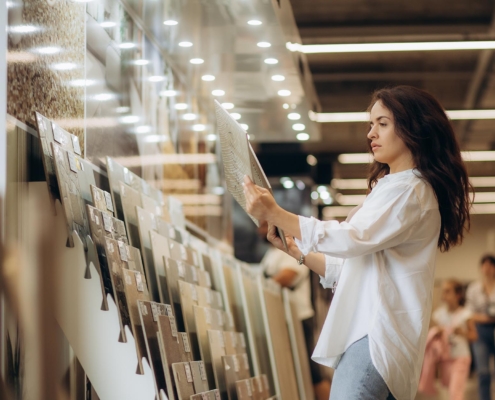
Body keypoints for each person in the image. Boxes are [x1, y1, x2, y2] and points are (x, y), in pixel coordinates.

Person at [242, 86, 472, 400]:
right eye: (370, 124)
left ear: (413, 129)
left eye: (382, 123)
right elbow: (351, 265)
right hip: (369, 339)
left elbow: (352, 239)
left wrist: (277, 213)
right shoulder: (396, 187)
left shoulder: (410, 189)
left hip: (375, 339)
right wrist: (298, 252)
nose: (371, 133)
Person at [257, 222, 331, 400]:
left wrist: (262, 287)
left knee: (311, 371)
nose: (259, 231)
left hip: (298, 318)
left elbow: (288, 276)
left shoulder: (293, 251)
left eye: (263, 226)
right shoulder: (271, 254)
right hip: (280, 320)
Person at [418, 279, 477, 400]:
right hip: (445, 358)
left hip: (460, 358)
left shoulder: (466, 314)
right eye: (443, 291)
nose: (444, 294)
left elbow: (474, 336)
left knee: (455, 392)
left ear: (458, 294)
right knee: (448, 391)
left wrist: (463, 333)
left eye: (447, 291)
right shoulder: (439, 314)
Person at [466, 254, 495, 400]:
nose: (487, 268)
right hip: (480, 331)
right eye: (484, 264)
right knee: (483, 372)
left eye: (491, 265)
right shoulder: (474, 288)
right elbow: (469, 312)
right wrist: (484, 318)